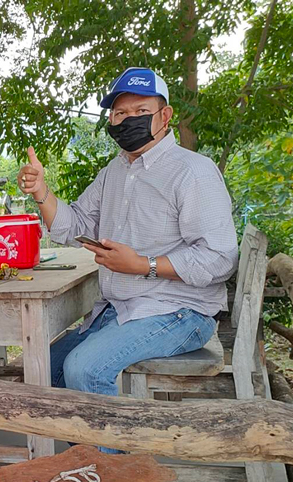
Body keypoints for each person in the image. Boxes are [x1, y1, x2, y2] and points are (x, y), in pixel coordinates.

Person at [17, 67, 238, 442]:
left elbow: (220, 259)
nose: (128, 120)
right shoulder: (115, 171)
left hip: (181, 311)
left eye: (140, 111)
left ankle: (105, 470)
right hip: (123, 308)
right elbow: (75, 225)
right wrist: (42, 192)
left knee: (84, 369)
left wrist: (143, 266)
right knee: (42, 370)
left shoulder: (192, 172)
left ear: (164, 116)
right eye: (120, 114)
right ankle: (86, 455)